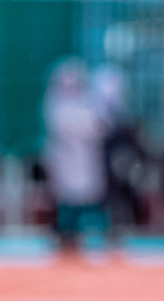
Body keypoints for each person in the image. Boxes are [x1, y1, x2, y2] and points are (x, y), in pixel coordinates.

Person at [43, 59, 109, 259]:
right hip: (66, 160)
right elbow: (64, 127)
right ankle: (66, 236)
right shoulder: (55, 103)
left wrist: (86, 128)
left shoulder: (91, 101)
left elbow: (101, 126)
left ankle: (91, 235)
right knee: (66, 200)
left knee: (90, 199)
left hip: (87, 160)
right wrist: (85, 128)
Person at [93, 65, 146, 254]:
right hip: (104, 165)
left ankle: (118, 231)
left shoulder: (119, 112)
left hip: (119, 163)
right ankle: (111, 231)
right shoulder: (100, 111)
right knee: (109, 199)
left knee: (120, 199)